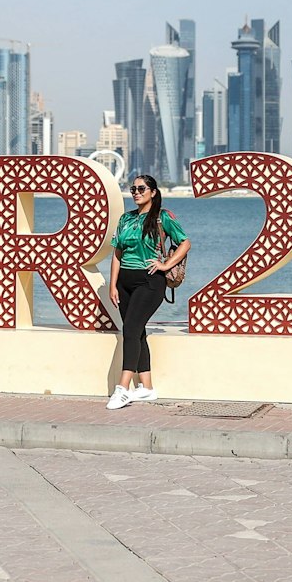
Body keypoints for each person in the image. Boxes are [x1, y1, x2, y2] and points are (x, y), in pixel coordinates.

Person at [105, 173, 189, 410]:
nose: (136, 193)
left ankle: (123, 388)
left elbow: (184, 243)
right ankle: (147, 387)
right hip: (125, 281)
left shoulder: (163, 217)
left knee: (130, 329)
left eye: (141, 189)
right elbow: (117, 253)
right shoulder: (125, 218)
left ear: (153, 192)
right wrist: (113, 284)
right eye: (133, 189)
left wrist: (165, 264)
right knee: (137, 331)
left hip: (150, 281)